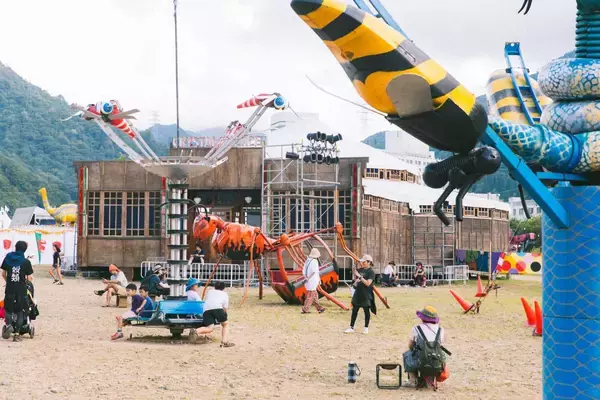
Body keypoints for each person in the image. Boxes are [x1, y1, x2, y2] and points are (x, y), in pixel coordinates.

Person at [404, 306, 447, 388]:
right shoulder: (441, 329)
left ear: (422, 318)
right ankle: (432, 378)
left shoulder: (416, 328)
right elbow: (440, 345)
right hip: (436, 360)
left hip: (421, 359)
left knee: (408, 354)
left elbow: (410, 345)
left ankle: (412, 380)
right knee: (443, 355)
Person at [1, 241, 34, 340]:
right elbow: (29, 278)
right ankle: (17, 334)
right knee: (20, 310)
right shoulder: (26, 262)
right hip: (21, 289)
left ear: (15, 247)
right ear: (24, 250)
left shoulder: (8, 257)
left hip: (9, 288)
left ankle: (9, 325)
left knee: (8, 309)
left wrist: (8, 281)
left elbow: (3, 273)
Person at [190, 281, 234, 347]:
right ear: (223, 288)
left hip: (206, 310)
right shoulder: (224, 294)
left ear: (215, 286)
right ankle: (224, 342)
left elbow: (210, 302)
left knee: (210, 327)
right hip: (218, 308)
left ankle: (196, 331)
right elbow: (225, 308)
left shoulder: (210, 292)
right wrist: (224, 316)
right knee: (225, 324)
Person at [344, 254, 376, 334]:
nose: (362, 263)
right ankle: (351, 327)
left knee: (366, 311)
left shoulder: (371, 272)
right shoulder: (361, 270)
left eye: (364, 262)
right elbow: (356, 278)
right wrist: (355, 278)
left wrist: (359, 277)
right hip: (358, 293)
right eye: (362, 262)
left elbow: (368, 283)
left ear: (369, 262)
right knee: (354, 310)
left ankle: (366, 328)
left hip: (366, 294)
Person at [301, 248, 325, 314]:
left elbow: (304, 270)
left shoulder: (307, 260)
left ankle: (320, 308)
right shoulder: (314, 261)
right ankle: (305, 308)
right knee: (311, 296)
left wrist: (306, 278)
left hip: (308, 280)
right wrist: (310, 278)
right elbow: (314, 272)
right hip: (312, 280)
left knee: (314, 296)